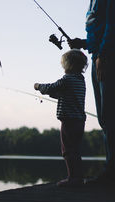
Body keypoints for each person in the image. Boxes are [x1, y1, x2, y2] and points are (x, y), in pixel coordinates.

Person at [66, 0, 115, 184]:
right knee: (105, 117)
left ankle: (113, 173)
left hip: (111, 58)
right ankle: (111, 170)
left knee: (111, 116)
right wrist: (82, 43)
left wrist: (102, 56)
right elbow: (100, 29)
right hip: (99, 57)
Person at [34, 49, 88, 187]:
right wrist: (52, 94)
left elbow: (52, 87)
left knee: (68, 150)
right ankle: (78, 177)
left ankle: (73, 179)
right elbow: (62, 94)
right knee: (75, 150)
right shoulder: (80, 80)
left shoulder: (67, 79)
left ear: (68, 65)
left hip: (69, 120)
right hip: (79, 120)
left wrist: (39, 86)